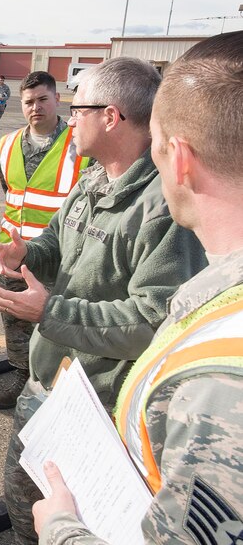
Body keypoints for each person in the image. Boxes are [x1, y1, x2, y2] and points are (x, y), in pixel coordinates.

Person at [0, 57, 208, 544]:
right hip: (51, 386)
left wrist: (49, 312)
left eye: (77, 108)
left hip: (103, 410)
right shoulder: (92, 178)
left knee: (82, 525)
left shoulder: (162, 207)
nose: (68, 118)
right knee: (24, 509)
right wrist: (25, 252)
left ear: (110, 117)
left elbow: (154, 322)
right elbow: (56, 246)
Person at [32, 31, 243, 545]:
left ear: (181, 159)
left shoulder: (217, 382)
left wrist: (61, 531)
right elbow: (56, 245)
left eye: (157, 144)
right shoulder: (90, 182)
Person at [0, 71, 90, 410]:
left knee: (56, 324)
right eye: (29, 102)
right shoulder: (7, 144)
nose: (36, 107)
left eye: (43, 99)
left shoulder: (80, 145)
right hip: (13, 254)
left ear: (57, 99)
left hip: (59, 256)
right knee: (14, 320)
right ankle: (21, 377)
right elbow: (9, 192)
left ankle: (57, 390)